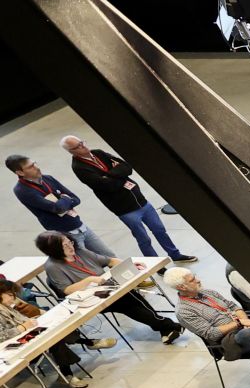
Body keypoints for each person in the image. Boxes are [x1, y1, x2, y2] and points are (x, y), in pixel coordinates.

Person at [61, 134, 197, 261]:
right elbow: (105, 186)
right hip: (124, 208)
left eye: (82, 142)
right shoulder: (79, 167)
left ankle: (175, 255)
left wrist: (109, 175)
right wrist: (117, 174)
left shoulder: (98, 153)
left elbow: (127, 167)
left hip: (141, 201)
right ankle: (156, 265)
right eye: (78, 146)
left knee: (159, 230)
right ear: (71, 151)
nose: (83, 146)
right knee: (143, 238)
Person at [35, 231, 183, 342]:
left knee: (128, 300)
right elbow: (66, 290)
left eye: (70, 242)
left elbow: (109, 261)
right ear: (54, 250)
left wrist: (129, 265)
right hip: (91, 298)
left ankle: (165, 328)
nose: (70, 247)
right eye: (65, 246)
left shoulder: (80, 252)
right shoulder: (53, 266)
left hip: (108, 288)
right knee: (128, 300)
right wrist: (89, 280)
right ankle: (168, 325)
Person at [8, 153, 113, 256]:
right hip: (66, 236)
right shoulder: (22, 190)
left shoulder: (48, 178)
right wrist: (65, 198)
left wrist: (63, 202)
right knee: (91, 266)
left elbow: (76, 199)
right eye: (30, 167)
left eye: (34, 163)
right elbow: (58, 208)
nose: (36, 167)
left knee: (110, 256)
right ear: (20, 173)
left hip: (80, 226)